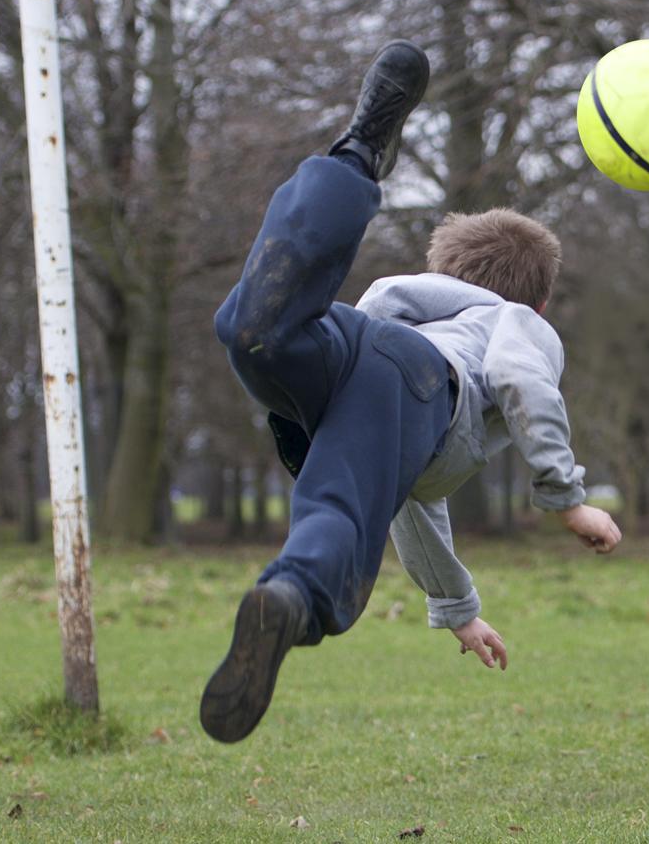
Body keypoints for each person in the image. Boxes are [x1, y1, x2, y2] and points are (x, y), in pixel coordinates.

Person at [200, 40, 622, 744]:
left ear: (446, 273)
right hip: (412, 377)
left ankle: (356, 156)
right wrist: (566, 497)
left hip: (347, 344)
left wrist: (457, 607)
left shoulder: (415, 300)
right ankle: (292, 596)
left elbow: (412, 505)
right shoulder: (515, 322)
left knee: (254, 329)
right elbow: (519, 379)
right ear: (538, 304)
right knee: (338, 508)